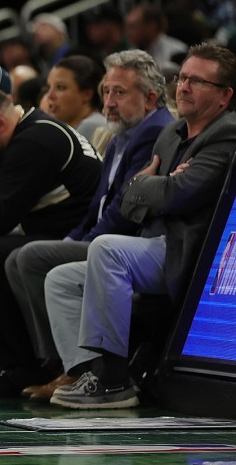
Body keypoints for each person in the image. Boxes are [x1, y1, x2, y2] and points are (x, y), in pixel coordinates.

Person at [46, 43, 236, 409]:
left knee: (107, 249)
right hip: (152, 242)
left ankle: (115, 379)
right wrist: (152, 189)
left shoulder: (226, 135)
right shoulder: (173, 133)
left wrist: (150, 188)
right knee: (62, 279)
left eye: (197, 81)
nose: (183, 87)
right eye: (182, 78)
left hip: (190, 253)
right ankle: (89, 371)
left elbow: (178, 195)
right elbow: (134, 204)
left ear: (225, 95)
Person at [4, 50, 173, 400]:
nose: (108, 102)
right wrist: (74, 237)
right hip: (104, 238)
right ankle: (67, 366)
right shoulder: (121, 134)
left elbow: (125, 213)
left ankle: (65, 367)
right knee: (20, 258)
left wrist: (86, 240)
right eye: (106, 91)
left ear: (151, 97)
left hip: (125, 244)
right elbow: (98, 206)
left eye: (119, 93)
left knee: (31, 257)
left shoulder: (154, 133)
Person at [0, 85, 102, 398]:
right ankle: (6, 363)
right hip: (57, 233)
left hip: (80, 237)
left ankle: (22, 365)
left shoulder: (35, 141)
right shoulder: (23, 135)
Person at [41, 54, 107, 145]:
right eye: (48, 87)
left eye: (60, 87)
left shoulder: (91, 126)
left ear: (87, 95)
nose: (50, 96)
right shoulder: (73, 128)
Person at [124, 4, 188, 70]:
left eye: (132, 27)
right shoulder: (131, 54)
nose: (128, 33)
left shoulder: (177, 51)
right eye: (127, 27)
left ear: (151, 25)